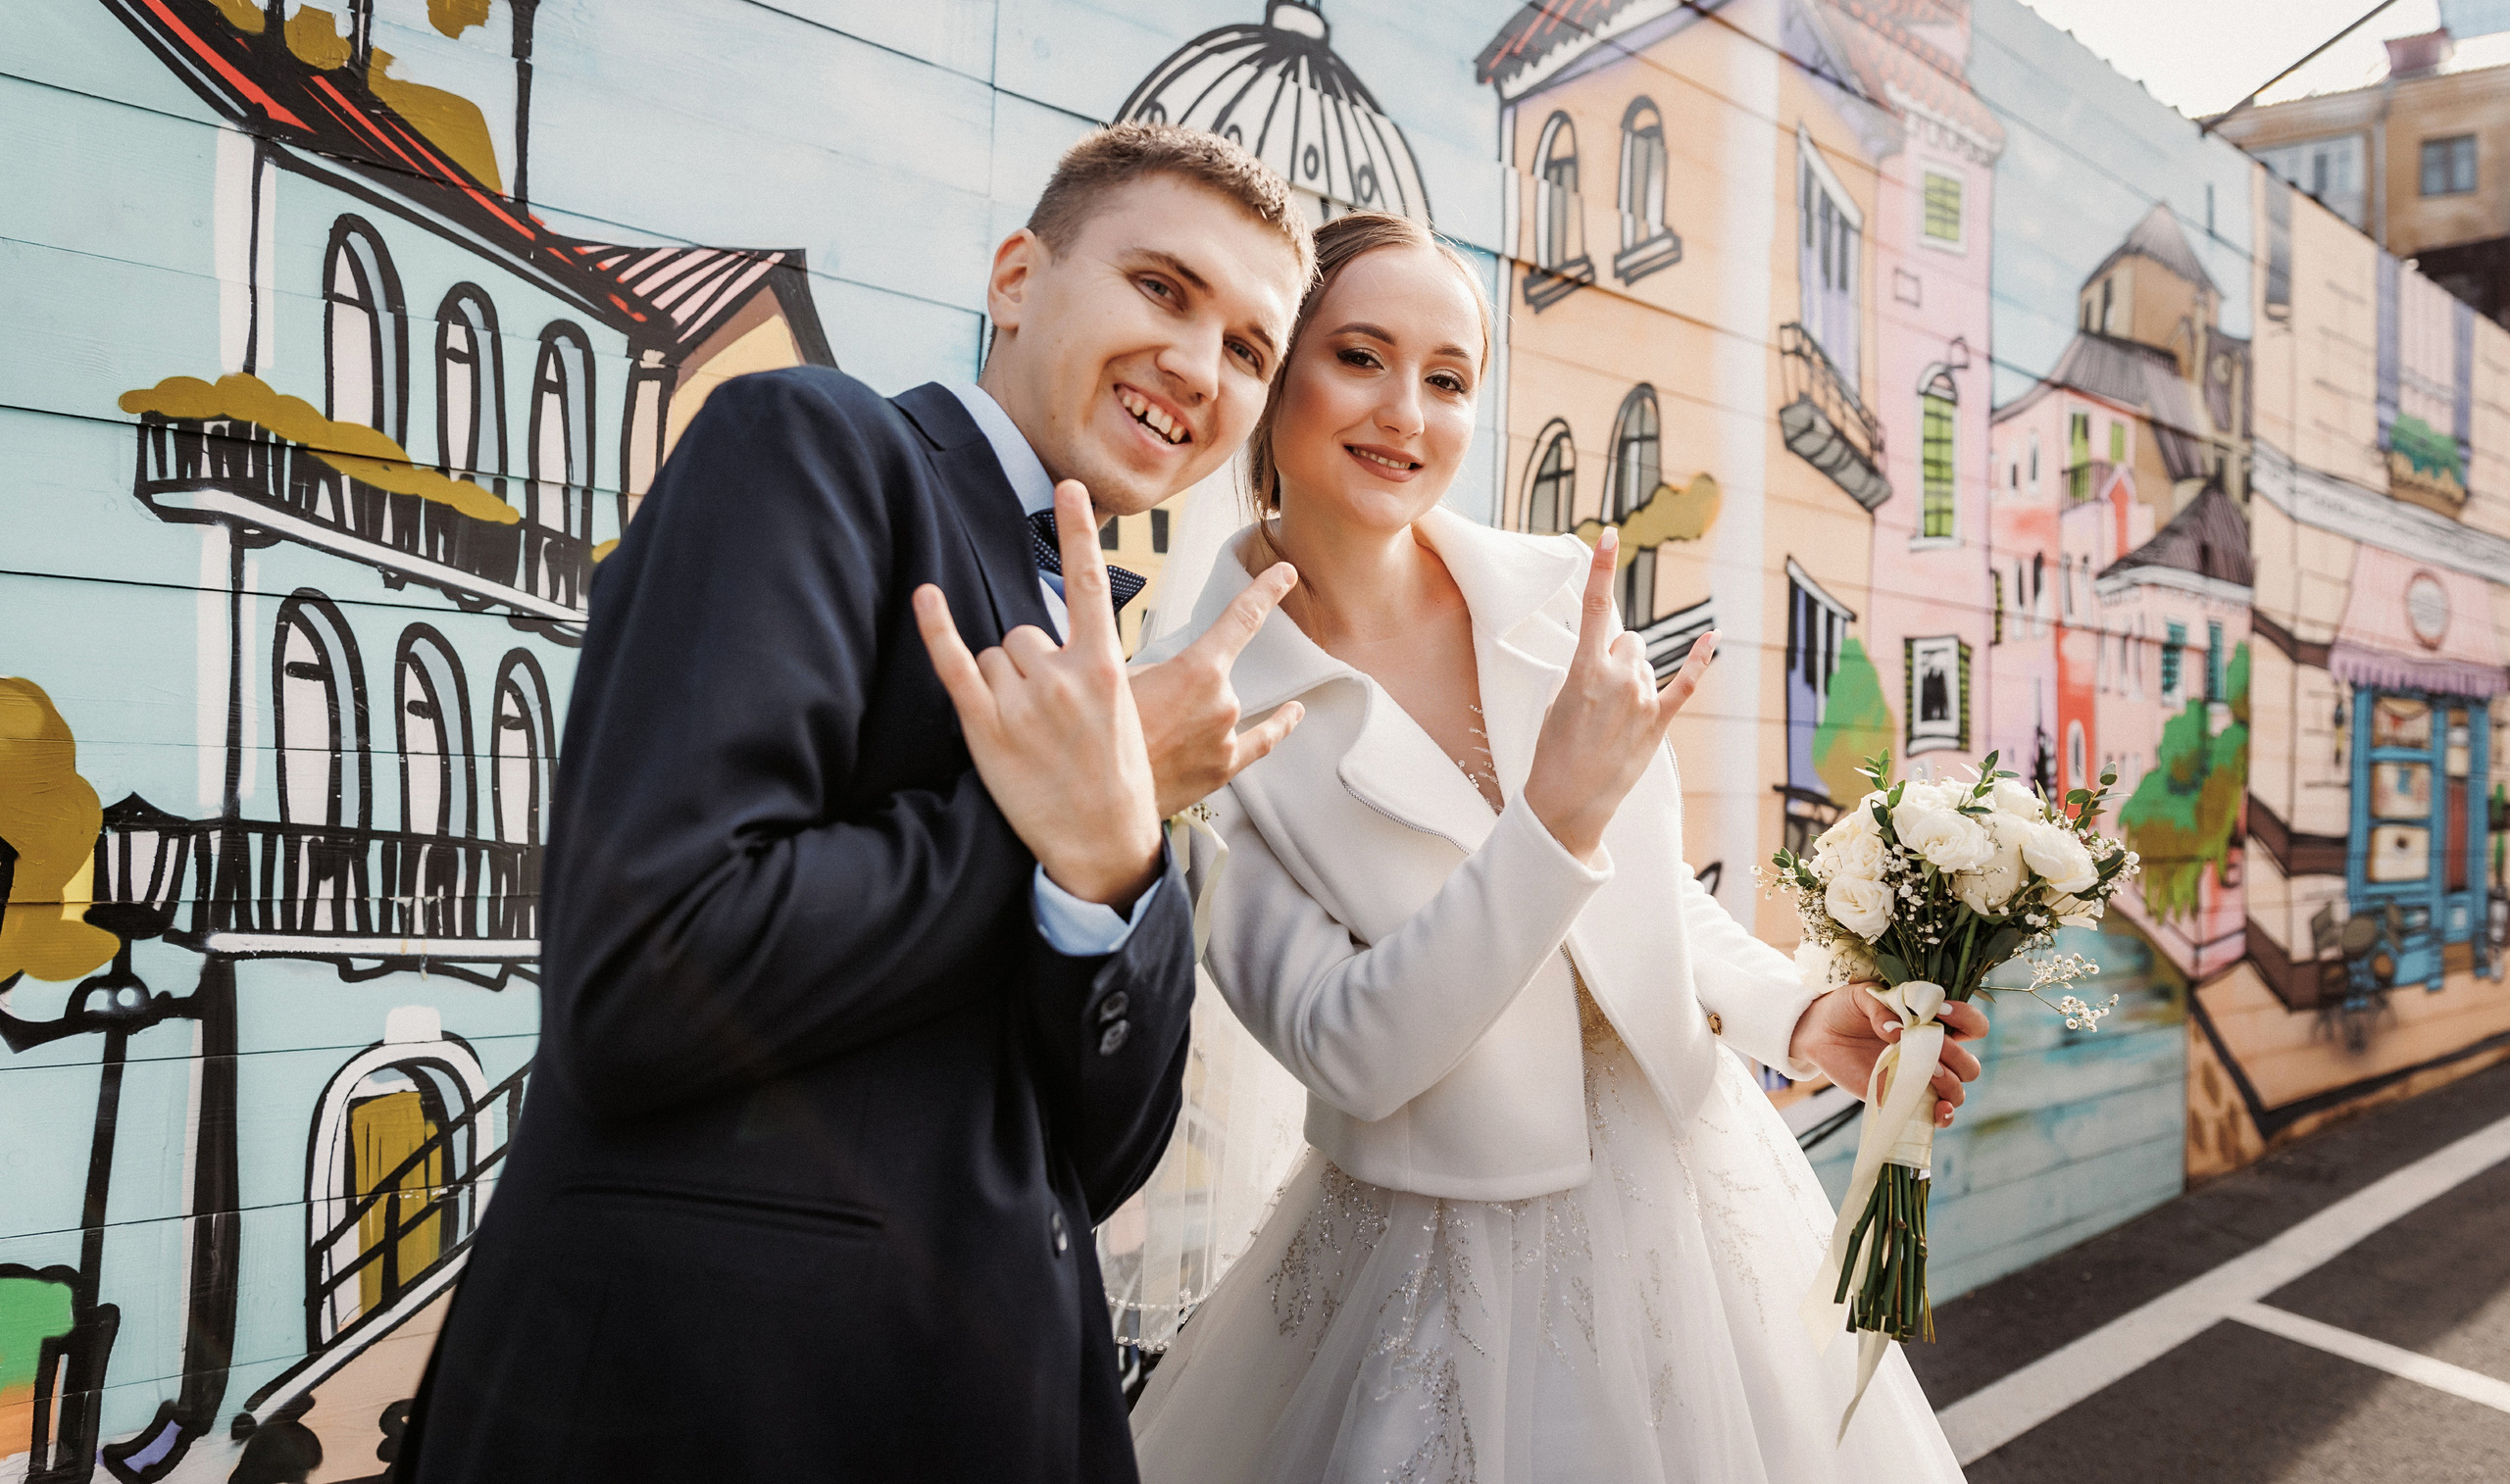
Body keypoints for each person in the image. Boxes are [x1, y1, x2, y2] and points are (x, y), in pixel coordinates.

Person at [401, 124, 1314, 1484]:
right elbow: (652, 978)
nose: (1199, 365)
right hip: (710, 1415)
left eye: (1249, 348)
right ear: (1016, 279)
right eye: (1163, 289)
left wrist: (1115, 852)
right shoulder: (813, 443)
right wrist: (1054, 810)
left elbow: (1100, 1158)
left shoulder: (1111, 662)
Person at [1128, 213, 1985, 1482]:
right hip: (1438, 1253)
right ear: (1271, 370)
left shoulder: (1558, 596)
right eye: (1360, 357)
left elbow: (1653, 907)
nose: (1405, 415)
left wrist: (1799, 1019)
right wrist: (1552, 823)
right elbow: (1347, 1047)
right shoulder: (1191, 707)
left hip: (1693, 1196)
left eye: (1448, 379)